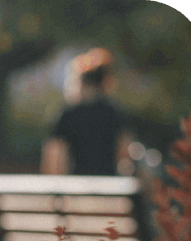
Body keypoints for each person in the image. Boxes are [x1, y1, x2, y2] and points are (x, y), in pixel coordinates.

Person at [42, 47, 133, 176]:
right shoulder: (115, 113)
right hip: (109, 188)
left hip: (76, 188)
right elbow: (124, 155)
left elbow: (54, 157)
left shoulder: (68, 115)